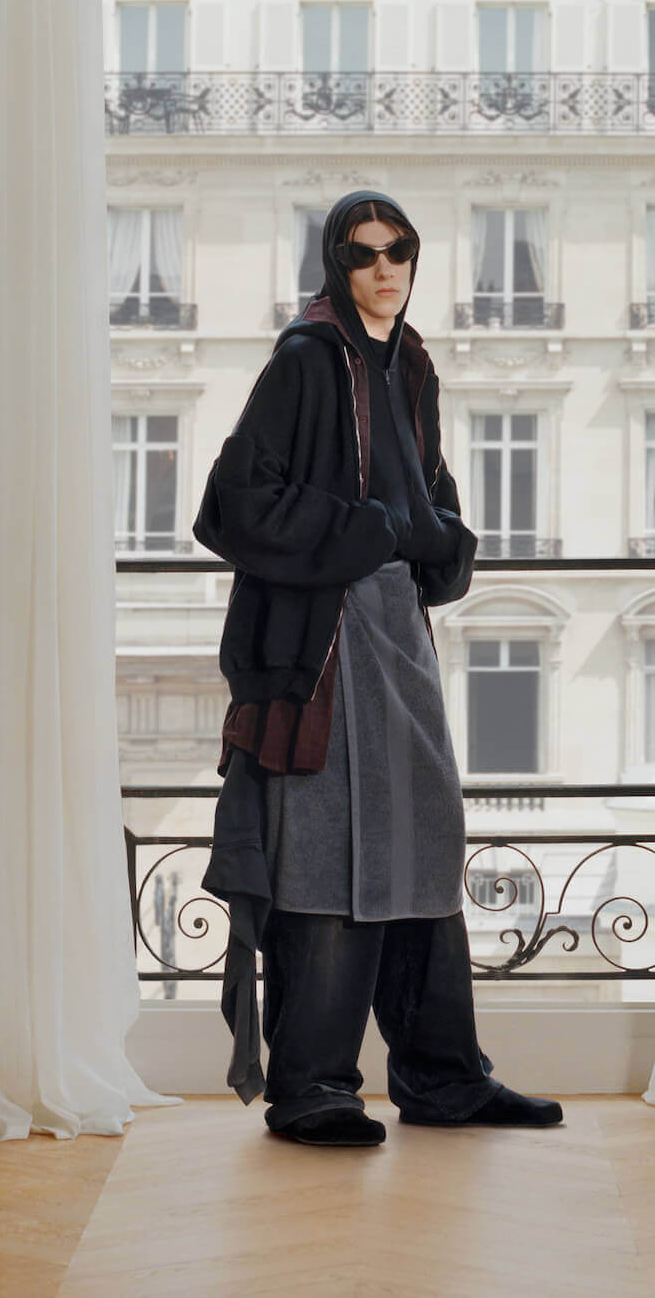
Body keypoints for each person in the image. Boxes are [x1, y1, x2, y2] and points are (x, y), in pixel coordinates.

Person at [192, 188, 564, 1148]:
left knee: (421, 840)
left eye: (398, 250)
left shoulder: (411, 363)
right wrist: (370, 532)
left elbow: (426, 494)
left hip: (397, 624)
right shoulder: (306, 359)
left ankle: (443, 1077)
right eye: (362, 254)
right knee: (329, 848)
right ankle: (312, 1086)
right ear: (336, 264)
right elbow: (231, 503)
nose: (384, 268)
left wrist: (436, 539)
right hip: (322, 638)